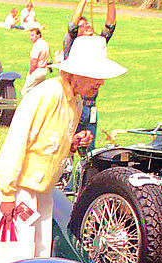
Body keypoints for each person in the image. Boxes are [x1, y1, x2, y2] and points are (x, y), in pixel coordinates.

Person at [0, 36, 125, 263]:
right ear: (77, 73)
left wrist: (72, 144)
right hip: (22, 189)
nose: (101, 82)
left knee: (41, 252)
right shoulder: (47, 94)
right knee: (16, 255)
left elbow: (48, 144)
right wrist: (7, 195)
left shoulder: (76, 100)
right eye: (97, 75)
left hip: (45, 190)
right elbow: (16, 143)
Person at [63, 0, 116, 154]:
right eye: (83, 25)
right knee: (66, 151)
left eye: (88, 24)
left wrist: (110, 2)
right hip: (73, 105)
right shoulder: (71, 46)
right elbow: (72, 26)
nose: (87, 26)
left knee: (89, 154)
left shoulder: (96, 46)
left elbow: (110, 26)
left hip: (91, 106)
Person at [22, 27, 50, 93]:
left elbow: (34, 61)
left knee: (25, 91)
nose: (31, 37)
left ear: (38, 35)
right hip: (44, 70)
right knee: (38, 92)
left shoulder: (37, 45)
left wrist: (31, 72)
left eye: (32, 35)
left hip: (37, 70)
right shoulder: (45, 43)